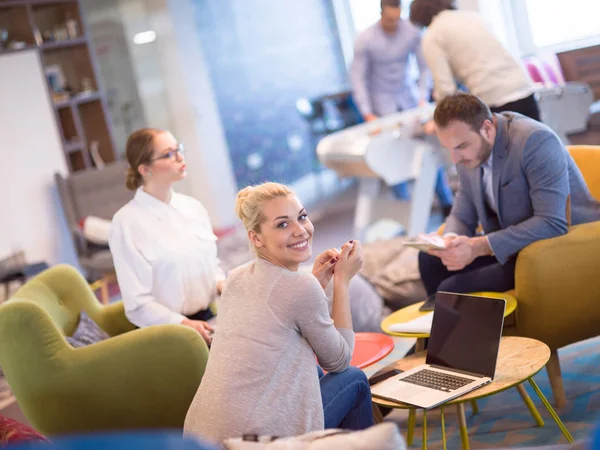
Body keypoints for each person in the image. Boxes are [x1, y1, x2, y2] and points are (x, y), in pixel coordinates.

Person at [184, 182, 374, 442]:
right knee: (354, 379)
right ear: (255, 237)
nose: (300, 230)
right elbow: (339, 361)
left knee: (310, 369)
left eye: (302, 217)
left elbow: (282, 315)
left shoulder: (236, 277)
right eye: (283, 224)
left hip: (200, 440)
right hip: (258, 444)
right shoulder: (300, 286)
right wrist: (342, 281)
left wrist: (316, 283)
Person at [418, 93, 600, 297]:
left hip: (556, 246)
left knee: (452, 291)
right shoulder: (468, 154)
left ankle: (461, 328)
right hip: (514, 245)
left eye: (461, 146)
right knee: (429, 261)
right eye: (449, 149)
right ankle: (440, 328)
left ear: (487, 128)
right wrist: (448, 241)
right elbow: (462, 215)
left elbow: (552, 223)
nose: (455, 159)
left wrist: (479, 246)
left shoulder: (535, 140)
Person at [109, 128, 224, 346]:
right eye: (168, 154)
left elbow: (212, 267)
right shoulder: (126, 223)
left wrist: (221, 285)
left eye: (178, 149)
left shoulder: (193, 207)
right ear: (145, 169)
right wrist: (181, 324)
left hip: (210, 320)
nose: (180, 157)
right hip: (168, 335)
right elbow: (137, 304)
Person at [350, 0, 453, 215]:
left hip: (409, 99)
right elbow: (358, 78)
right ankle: (406, 209)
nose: (393, 24)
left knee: (427, 151)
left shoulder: (411, 31)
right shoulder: (365, 39)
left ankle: (446, 202)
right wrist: (367, 111)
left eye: (397, 19)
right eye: (389, 20)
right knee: (391, 158)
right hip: (381, 105)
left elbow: (425, 66)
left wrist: (423, 96)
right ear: (380, 13)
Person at [410, 0, 541, 121]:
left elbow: (445, 89)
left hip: (494, 98)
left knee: (506, 146)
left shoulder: (432, 35)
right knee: (537, 144)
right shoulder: (472, 16)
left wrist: (438, 121)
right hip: (523, 87)